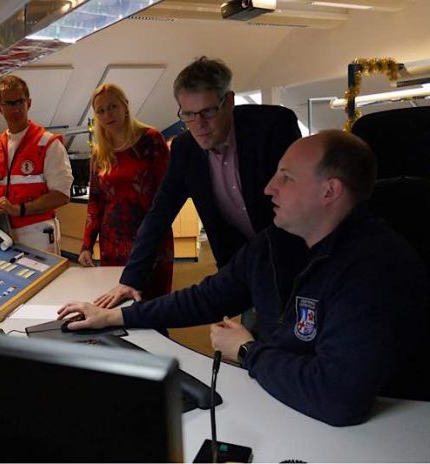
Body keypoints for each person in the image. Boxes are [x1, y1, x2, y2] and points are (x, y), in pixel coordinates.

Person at [58, 130, 429, 426]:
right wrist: (116, 317)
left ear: (329, 191)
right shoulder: (275, 243)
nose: (269, 186)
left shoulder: (376, 268)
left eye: (286, 177)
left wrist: (248, 351)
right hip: (289, 409)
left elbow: (338, 398)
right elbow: (206, 298)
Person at [95, 57, 301, 309]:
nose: (199, 125)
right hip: (243, 265)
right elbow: (159, 214)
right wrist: (130, 280)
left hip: (296, 255)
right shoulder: (185, 148)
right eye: (189, 115)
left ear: (229, 101)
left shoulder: (272, 126)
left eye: (208, 112)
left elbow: (301, 201)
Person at [78, 83, 173, 299]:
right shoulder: (99, 152)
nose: (107, 114)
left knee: (152, 302)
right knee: (117, 303)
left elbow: (166, 193)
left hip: (150, 236)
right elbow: (95, 201)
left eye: (112, 107)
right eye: (101, 110)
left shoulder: (151, 139)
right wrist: (86, 245)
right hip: (113, 241)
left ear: (125, 106)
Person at [0, 75, 73, 254]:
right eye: (9, 103)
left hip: (38, 234)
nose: (15, 109)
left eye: (19, 102)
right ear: (0, 108)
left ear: (28, 103)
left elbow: (62, 195)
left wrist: (20, 209)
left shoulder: (48, 144)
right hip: (2, 235)